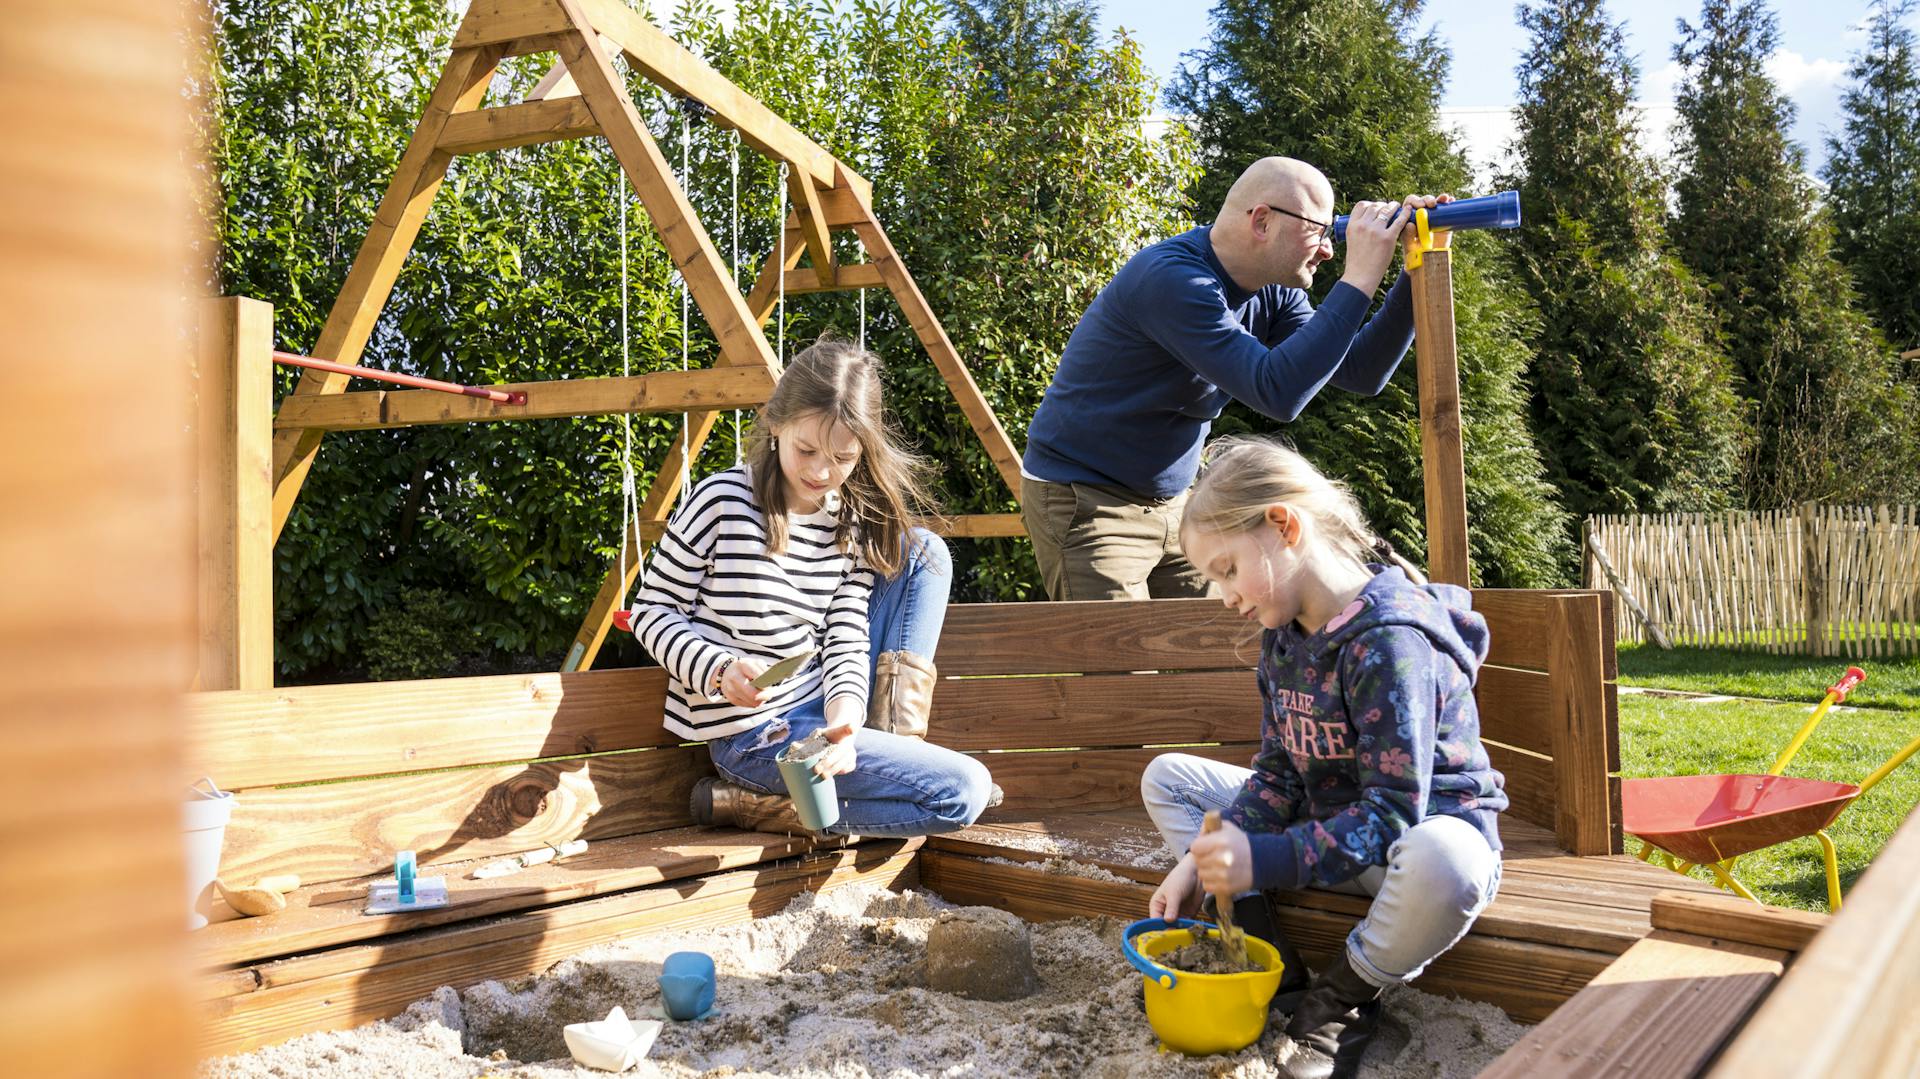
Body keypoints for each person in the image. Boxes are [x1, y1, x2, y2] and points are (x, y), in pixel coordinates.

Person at [1140, 437, 1506, 1079]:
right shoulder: (1283, 639)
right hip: (1324, 830)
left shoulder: (1388, 643)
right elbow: (1280, 774)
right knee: (1169, 778)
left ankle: (1341, 1002)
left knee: (1447, 863)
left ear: (1283, 525)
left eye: (1227, 568)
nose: (1223, 595)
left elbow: (1393, 814)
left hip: (1406, 849)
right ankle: (1266, 957)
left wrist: (1262, 856)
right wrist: (1201, 863)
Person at [1021, 156, 1450, 601]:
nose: (1327, 250)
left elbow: (1361, 372)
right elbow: (1276, 392)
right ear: (1262, 221)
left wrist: (1413, 267)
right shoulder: (1172, 280)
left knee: (1213, 654)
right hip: (1088, 500)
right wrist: (1360, 275)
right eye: (1321, 232)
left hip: (1178, 502)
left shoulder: (1274, 289)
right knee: (1122, 664)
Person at [629, 339, 998, 837]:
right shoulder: (719, 500)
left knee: (924, 552)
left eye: (843, 458)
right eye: (806, 450)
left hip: (821, 711)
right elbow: (652, 609)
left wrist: (845, 726)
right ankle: (770, 802)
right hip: (757, 737)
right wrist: (717, 670)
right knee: (963, 791)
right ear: (776, 423)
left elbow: (846, 637)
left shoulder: (847, 521)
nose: (822, 473)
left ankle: (876, 750)